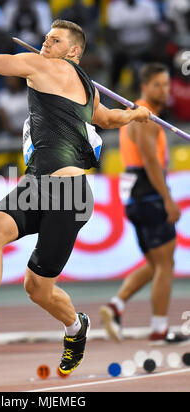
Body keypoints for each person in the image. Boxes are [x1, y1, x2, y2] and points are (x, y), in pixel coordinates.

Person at [0, 19, 150, 375]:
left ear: (74, 51)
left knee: (38, 289)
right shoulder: (75, 80)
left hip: (70, 194)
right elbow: (107, 118)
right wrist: (134, 114)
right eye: (46, 38)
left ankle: (76, 327)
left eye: (56, 40)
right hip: (35, 185)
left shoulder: (56, 72)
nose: (46, 43)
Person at [100, 63, 187, 344]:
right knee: (165, 264)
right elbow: (150, 161)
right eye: (158, 85)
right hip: (149, 193)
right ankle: (159, 329)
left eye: (166, 84)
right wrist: (167, 199)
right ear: (145, 87)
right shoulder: (145, 118)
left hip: (135, 194)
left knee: (153, 263)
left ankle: (116, 306)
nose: (164, 90)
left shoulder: (136, 113)